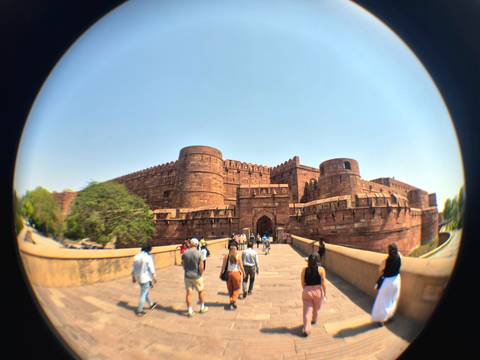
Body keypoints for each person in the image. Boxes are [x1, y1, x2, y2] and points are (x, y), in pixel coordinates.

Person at [371, 243, 401, 326]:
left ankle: (381, 320)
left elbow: (380, 270)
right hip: (396, 280)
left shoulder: (386, 260)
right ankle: (390, 316)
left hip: (387, 282)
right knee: (392, 300)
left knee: (382, 301)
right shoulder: (399, 257)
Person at [300, 253, 327, 336]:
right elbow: (323, 283)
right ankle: (314, 319)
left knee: (307, 311)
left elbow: (302, 281)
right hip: (318, 291)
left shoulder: (304, 269)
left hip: (307, 291)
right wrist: (325, 293)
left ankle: (307, 329)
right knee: (316, 308)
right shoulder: (321, 270)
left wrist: (305, 288)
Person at [182, 238, 208, 317]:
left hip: (187, 276)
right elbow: (201, 267)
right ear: (196, 245)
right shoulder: (198, 253)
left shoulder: (185, 253)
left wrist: (187, 270)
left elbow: (183, 265)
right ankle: (202, 307)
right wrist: (201, 273)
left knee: (189, 293)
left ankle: (190, 310)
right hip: (197, 276)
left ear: (190, 244)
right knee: (200, 291)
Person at [131, 245, 157, 317]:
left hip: (138, 277)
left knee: (145, 292)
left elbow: (133, 268)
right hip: (145, 278)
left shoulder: (136, 256)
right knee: (143, 294)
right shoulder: (148, 257)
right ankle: (139, 310)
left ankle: (151, 304)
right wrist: (154, 277)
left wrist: (133, 277)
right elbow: (151, 268)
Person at [220, 244, 245, 310]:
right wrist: (244, 273)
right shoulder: (238, 256)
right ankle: (233, 300)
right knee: (237, 289)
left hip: (228, 274)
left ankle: (232, 301)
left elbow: (223, 266)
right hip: (236, 274)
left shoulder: (226, 256)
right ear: (235, 250)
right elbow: (241, 267)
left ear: (229, 250)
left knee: (230, 289)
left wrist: (221, 273)